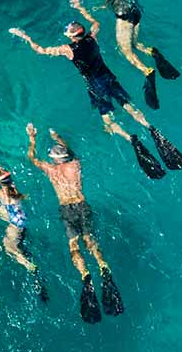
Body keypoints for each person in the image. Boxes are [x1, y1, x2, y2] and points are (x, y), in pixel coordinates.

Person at [8, 0, 182, 180]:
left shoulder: (68, 50)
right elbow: (95, 23)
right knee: (128, 106)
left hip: (95, 85)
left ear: (71, 36)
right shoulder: (93, 37)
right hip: (108, 77)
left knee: (107, 122)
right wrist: (79, 7)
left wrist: (25, 36)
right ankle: (150, 127)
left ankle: (131, 138)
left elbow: (41, 50)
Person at [25, 124, 123, 323]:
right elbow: (70, 150)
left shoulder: (51, 170)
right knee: (90, 240)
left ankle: (85, 275)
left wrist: (32, 138)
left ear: (54, 159)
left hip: (66, 210)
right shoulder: (75, 165)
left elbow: (32, 159)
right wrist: (58, 136)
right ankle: (103, 266)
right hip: (82, 205)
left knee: (74, 246)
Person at [93, 0, 180, 108]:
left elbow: (106, 4)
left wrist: (97, 7)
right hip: (136, 15)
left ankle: (147, 71)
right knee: (135, 44)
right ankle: (153, 52)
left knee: (125, 50)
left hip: (124, 19)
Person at [0, 149, 47, 302]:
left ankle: (29, 265)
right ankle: (24, 250)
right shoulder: (13, 186)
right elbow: (0, 168)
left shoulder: (0, 194)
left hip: (14, 227)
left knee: (9, 249)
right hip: (22, 220)